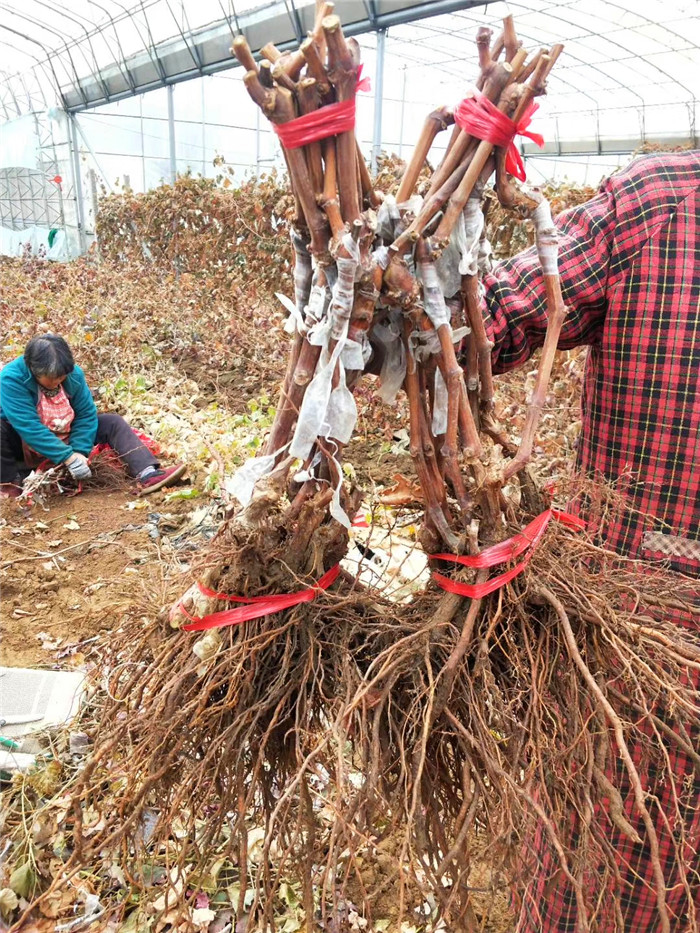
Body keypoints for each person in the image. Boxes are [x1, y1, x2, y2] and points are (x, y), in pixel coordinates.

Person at [481, 151, 699, 930]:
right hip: (626, 654)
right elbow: (500, 310)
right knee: (600, 872)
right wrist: (398, 305)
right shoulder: (663, 206)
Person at [0, 334, 186, 498]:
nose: (57, 381)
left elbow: (86, 415)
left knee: (113, 422)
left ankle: (148, 473)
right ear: (33, 369)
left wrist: (79, 452)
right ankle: (11, 487)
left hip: (66, 433)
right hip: (24, 441)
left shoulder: (74, 375)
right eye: (51, 378)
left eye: (61, 376)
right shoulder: (12, 378)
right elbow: (28, 426)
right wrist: (68, 457)